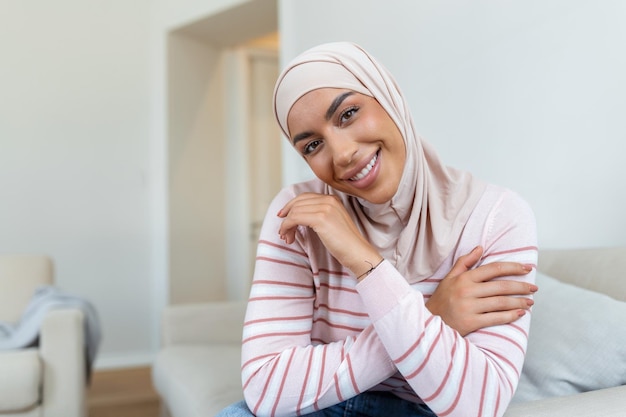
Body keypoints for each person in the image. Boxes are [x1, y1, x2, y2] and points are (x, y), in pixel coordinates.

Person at [218, 41, 537, 417]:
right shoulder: (299, 215)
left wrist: (363, 260)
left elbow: (477, 403)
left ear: (389, 97)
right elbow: (266, 388)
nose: (341, 154)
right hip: (322, 408)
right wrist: (432, 314)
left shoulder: (496, 217)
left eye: (348, 113)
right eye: (313, 145)